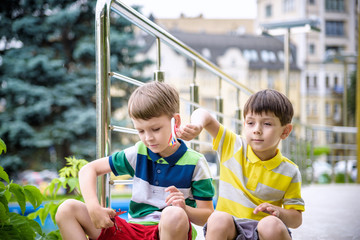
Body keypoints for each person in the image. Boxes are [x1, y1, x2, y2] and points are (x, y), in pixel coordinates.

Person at [55, 81, 215, 240]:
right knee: (67, 209)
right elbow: (88, 170)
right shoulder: (139, 153)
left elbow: (208, 215)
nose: (148, 138)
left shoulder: (196, 162)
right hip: (132, 231)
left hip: (167, 231)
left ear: (176, 122)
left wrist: (184, 209)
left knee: (173, 213)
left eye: (156, 129)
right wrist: (93, 208)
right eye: (140, 131)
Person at [177, 89, 305, 240]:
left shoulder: (290, 171)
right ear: (244, 124)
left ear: (285, 131)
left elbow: (296, 219)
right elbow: (203, 114)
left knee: (270, 224)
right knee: (218, 219)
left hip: (262, 232)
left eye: (267, 124)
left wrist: (279, 212)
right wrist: (197, 125)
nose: (257, 130)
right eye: (251, 123)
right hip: (230, 230)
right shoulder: (232, 145)